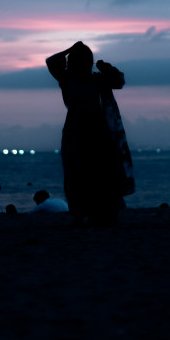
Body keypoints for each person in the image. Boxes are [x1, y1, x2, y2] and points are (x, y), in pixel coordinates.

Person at [46, 41, 129, 226]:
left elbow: (119, 80)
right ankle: (80, 213)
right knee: (78, 173)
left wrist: (106, 67)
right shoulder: (67, 79)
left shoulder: (97, 79)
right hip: (77, 132)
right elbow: (50, 61)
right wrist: (71, 48)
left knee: (99, 173)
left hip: (96, 131)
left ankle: (98, 213)